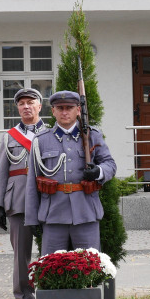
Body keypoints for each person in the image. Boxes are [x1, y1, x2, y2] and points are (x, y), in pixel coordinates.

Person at [25, 90, 117, 254]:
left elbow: (110, 164)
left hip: (85, 212)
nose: (65, 112)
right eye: (60, 108)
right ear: (53, 111)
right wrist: (32, 218)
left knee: (89, 267)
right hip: (53, 214)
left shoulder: (92, 136)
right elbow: (32, 181)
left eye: (69, 107)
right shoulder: (41, 140)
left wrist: (98, 172)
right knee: (51, 269)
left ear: (78, 110)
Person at [0, 88, 48, 299]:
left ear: (40, 106)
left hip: (47, 199)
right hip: (18, 200)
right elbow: (2, 173)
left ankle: (49, 295)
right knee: (20, 255)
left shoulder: (52, 133)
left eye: (30, 102)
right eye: (21, 103)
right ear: (17, 108)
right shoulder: (9, 137)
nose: (26, 106)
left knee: (49, 251)